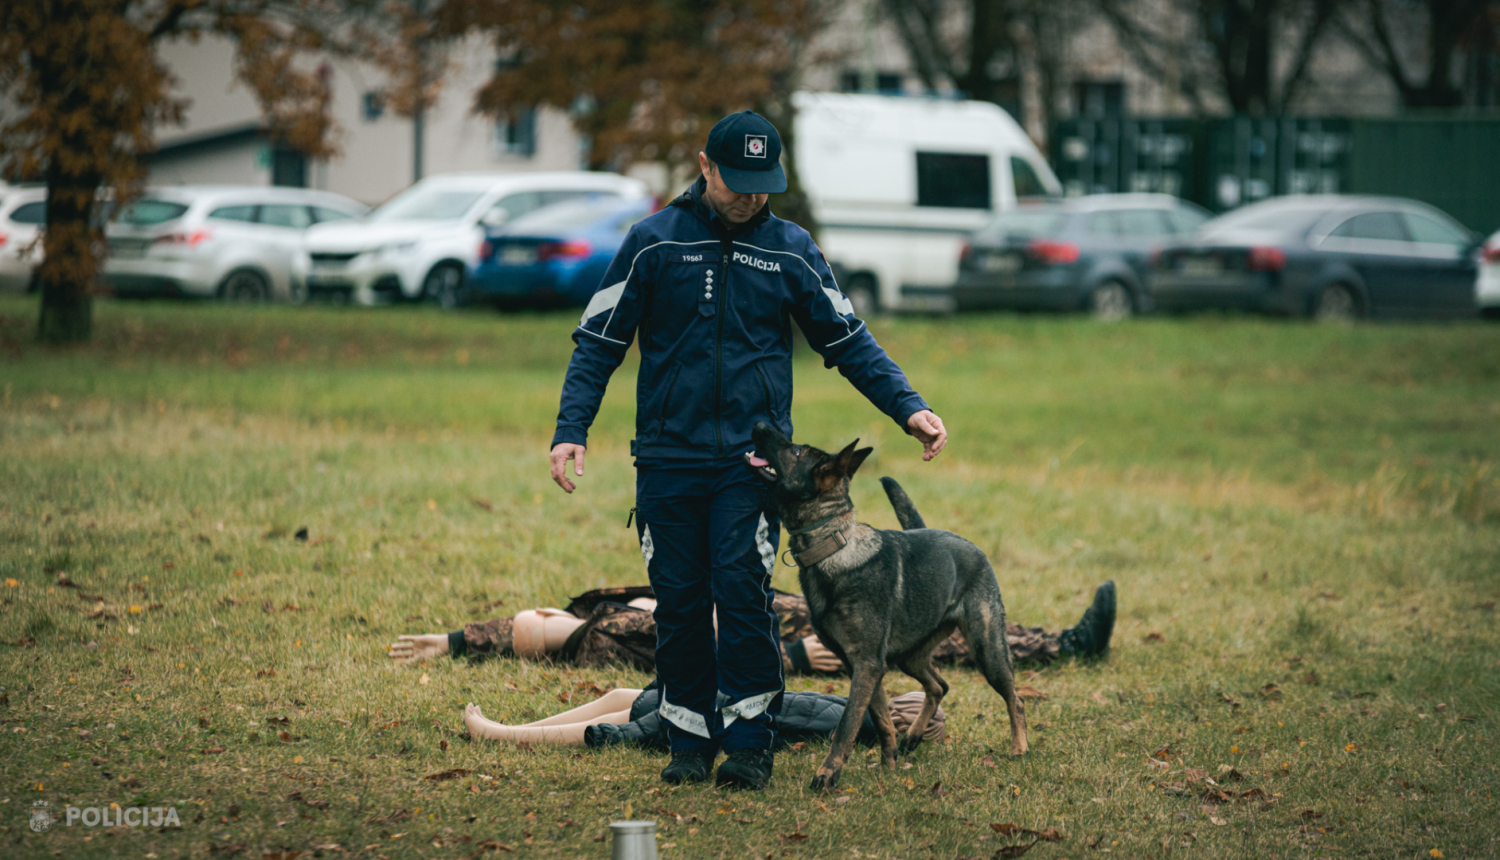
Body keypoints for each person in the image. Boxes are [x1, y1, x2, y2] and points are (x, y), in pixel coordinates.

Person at [546, 110, 947, 790]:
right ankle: (689, 742)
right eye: (738, 182)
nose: (752, 196)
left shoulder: (790, 249)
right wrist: (570, 429)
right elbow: (599, 341)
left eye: (765, 184)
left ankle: (751, 741)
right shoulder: (653, 243)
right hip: (668, 462)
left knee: (740, 592)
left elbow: (847, 339)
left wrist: (908, 406)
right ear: (705, 166)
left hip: (752, 468)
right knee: (678, 603)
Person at [389, 581, 1119, 673]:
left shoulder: (596, 606)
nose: (545, 616)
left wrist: (451, 638)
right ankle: (1060, 646)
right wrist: (796, 656)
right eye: (542, 624)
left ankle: (1040, 638)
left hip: (758, 598)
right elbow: (704, 660)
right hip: (772, 633)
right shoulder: (603, 638)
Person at [460, 686, 946, 752]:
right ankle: (519, 728)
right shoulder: (848, 711)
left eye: (904, 700)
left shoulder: (848, 723)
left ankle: (504, 736)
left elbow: (782, 712)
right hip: (716, 697)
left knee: (622, 727)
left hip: (711, 717)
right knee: (622, 694)